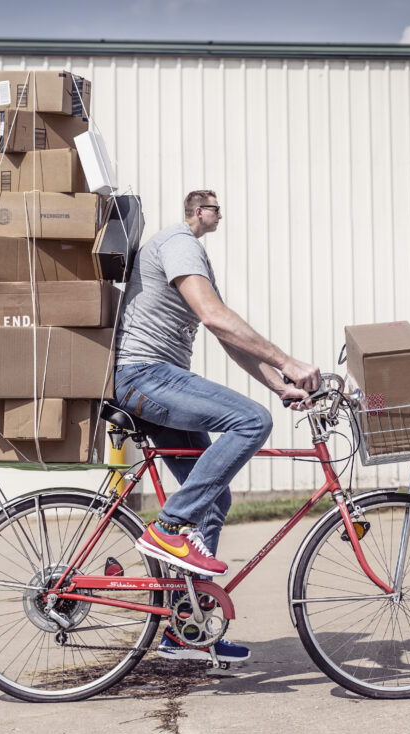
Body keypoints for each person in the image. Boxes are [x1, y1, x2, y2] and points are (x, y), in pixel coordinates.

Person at [114, 189, 320, 662]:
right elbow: (215, 317)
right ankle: (167, 529)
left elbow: (227, 337)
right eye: (214, 209)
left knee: (214, 497)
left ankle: (184, 627)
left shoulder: (191, 255)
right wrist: (288, 361)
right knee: (251, 422)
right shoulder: (180, 244)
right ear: (197, 213)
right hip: (145, 375)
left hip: (157, 380)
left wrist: (278, 384)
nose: (219, 215)